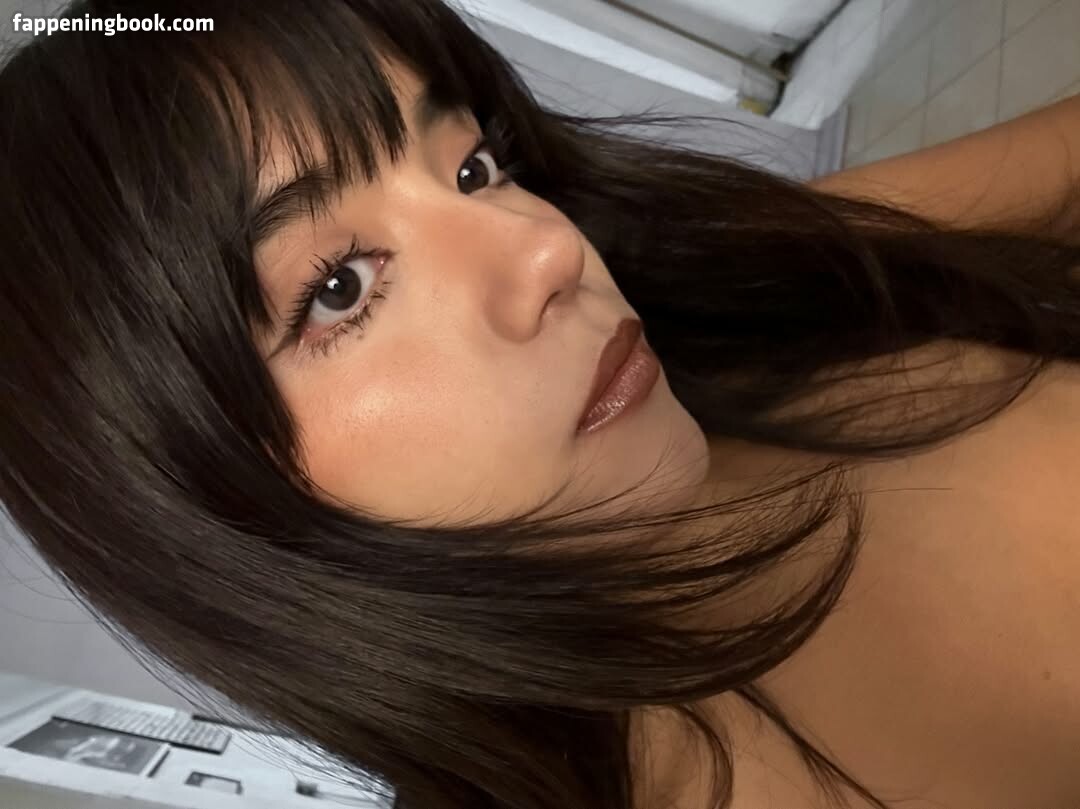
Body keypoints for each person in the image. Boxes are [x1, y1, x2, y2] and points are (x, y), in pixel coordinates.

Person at [2, 2, 1079, 808]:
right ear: (195, 503)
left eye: (472, 168)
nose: (548, 249)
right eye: (340, 287)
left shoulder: (748, 297)